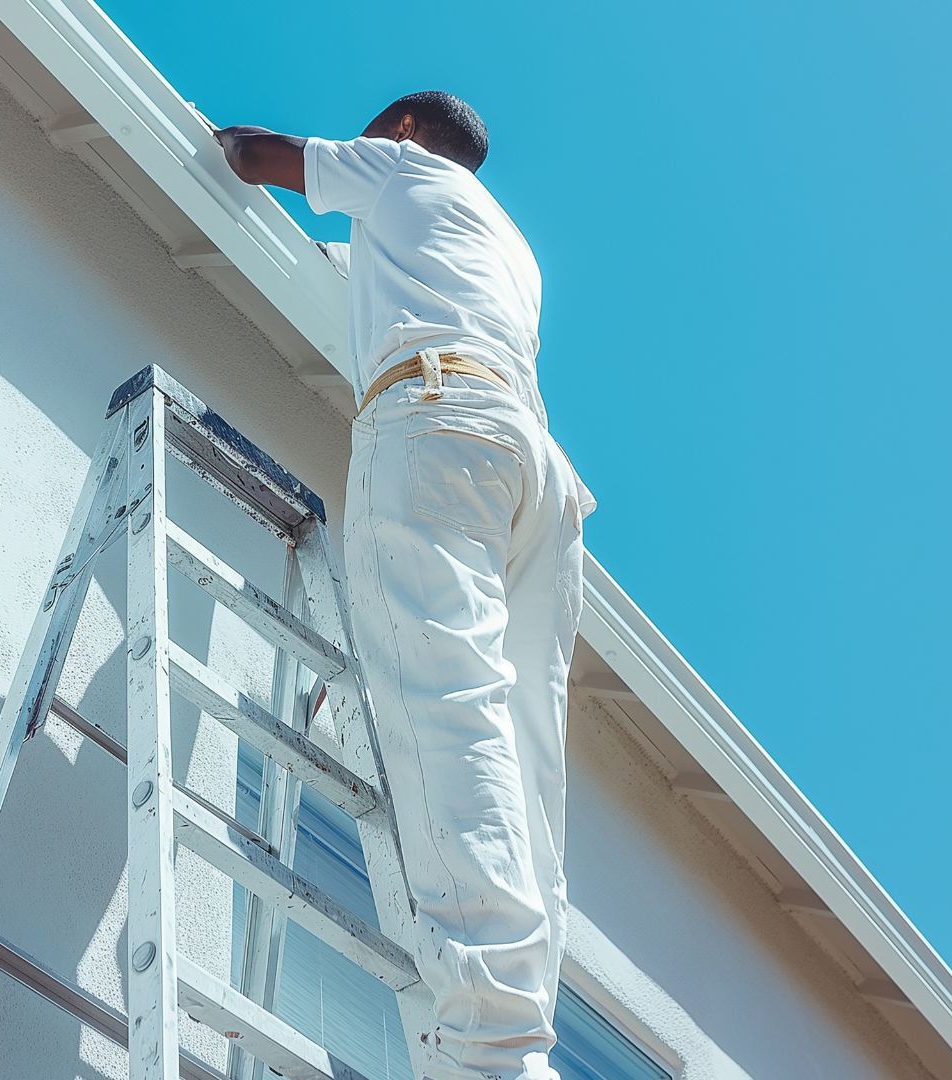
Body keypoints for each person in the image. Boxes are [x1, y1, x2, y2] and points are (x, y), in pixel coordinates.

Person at [215, 92, 596, 1080]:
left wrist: (226, 139)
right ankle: (519, 1031)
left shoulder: (405, 172)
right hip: (535, 474)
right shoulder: (510, 251)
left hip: (438, 419)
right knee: (520, 757)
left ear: (409, 133)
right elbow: (367, 280)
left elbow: (263, 157)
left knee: (448, 708)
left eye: (377, 129)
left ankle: (490, 1054)